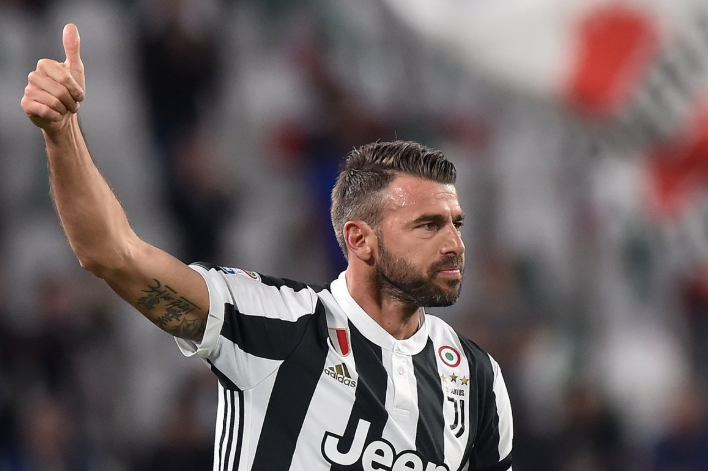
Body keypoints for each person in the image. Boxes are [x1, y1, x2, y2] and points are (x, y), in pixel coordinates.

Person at [21, 23, 513, 471]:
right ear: (359, 240)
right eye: (428, 225)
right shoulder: (276, 324)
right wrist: (63, 132)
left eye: (456, 224)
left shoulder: (477, 378)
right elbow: (112, 253)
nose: (455, 244)